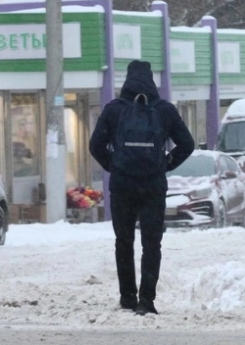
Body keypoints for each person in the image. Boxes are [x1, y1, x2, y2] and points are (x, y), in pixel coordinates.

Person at [90, 60, 194, 316]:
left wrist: (114, 165)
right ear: (152, 80)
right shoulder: (164, 110)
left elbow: (95, 145)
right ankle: (146, 300)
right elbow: (187, 144)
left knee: (123, 242)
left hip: (123, 186)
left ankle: (127, 297)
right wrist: (165, 163)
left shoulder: (114, 109)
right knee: (152, 244)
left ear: (127, 80)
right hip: (153, 186)